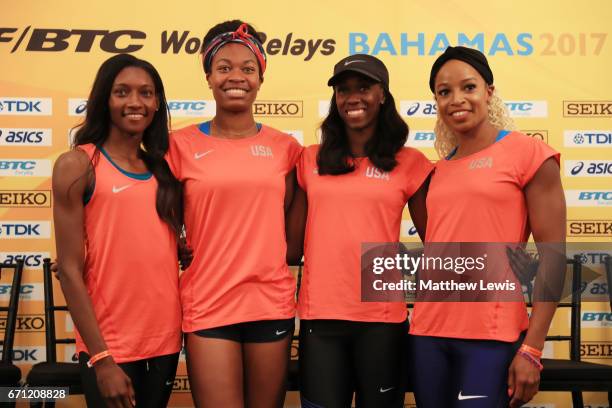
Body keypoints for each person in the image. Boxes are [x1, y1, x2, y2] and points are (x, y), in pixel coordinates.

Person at [409, 46, 566, 408]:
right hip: (427, 332)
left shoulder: (529, 154)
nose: (456, 100)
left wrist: (532, 348)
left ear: (489, 91)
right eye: (444, 92)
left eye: (468, 87)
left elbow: (553, 259)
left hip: (491, 336)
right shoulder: (439, 170)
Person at [166, 20, 302, 408]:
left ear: (261, 77)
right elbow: (156, 216)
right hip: (207, 303)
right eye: (224, 67)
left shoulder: (286, 148)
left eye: (247, 68)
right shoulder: (178, 146)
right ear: (208, 77)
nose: (236, 77)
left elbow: (292, 234)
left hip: (269, 302)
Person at [290, 54, 432, 408]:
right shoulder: (310, 159)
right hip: (320, 318)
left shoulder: (410, 162)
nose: (353, 98)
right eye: (343, 90)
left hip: (382, 320)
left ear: (383, 94)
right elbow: (290, 247)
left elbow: (440, 241)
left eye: (364, 87)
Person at [52, 54, 184, 407]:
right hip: (110, 345)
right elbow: (68, 269)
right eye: (122, 92)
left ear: (157, 103)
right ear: (104, 100)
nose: (135, 102)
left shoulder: (163, 169)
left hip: (165, 340)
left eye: (146, 93)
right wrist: (101, 358)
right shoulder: (78, 164)